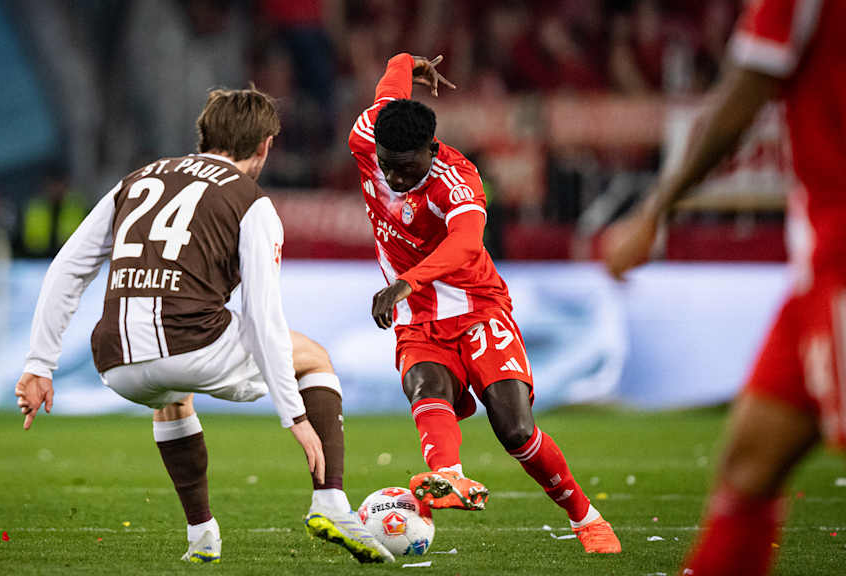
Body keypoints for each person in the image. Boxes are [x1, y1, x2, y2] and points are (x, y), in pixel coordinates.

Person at [15, 87, 393, 564]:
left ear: (204, 135)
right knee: (313, 357)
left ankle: (202, 536)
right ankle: (332, 502)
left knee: (171, 396)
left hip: (116, 361)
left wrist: (39, 364)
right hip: (193, 345)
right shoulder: (251, 203)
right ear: (264, 146)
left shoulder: (136, 179)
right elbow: (263, 316)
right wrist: (293, 415)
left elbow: (67, 267)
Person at [603, 1, 845, 574]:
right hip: (818, 270)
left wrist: (656, 208)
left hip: (842, 259)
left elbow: (740, 98)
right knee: (747, 468)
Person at [348, 53, 621, 554]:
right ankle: (446, 475)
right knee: (424, 385)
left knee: (515, 430)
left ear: (431, 150)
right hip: (417, 317)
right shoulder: (368, 133)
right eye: (386, 167)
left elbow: (465, 246)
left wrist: (405, 282)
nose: (395, 179)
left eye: (406, 169)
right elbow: (390, 77)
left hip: (477, 308)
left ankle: (586, 516)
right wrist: (410, 61)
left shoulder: (458, 179)